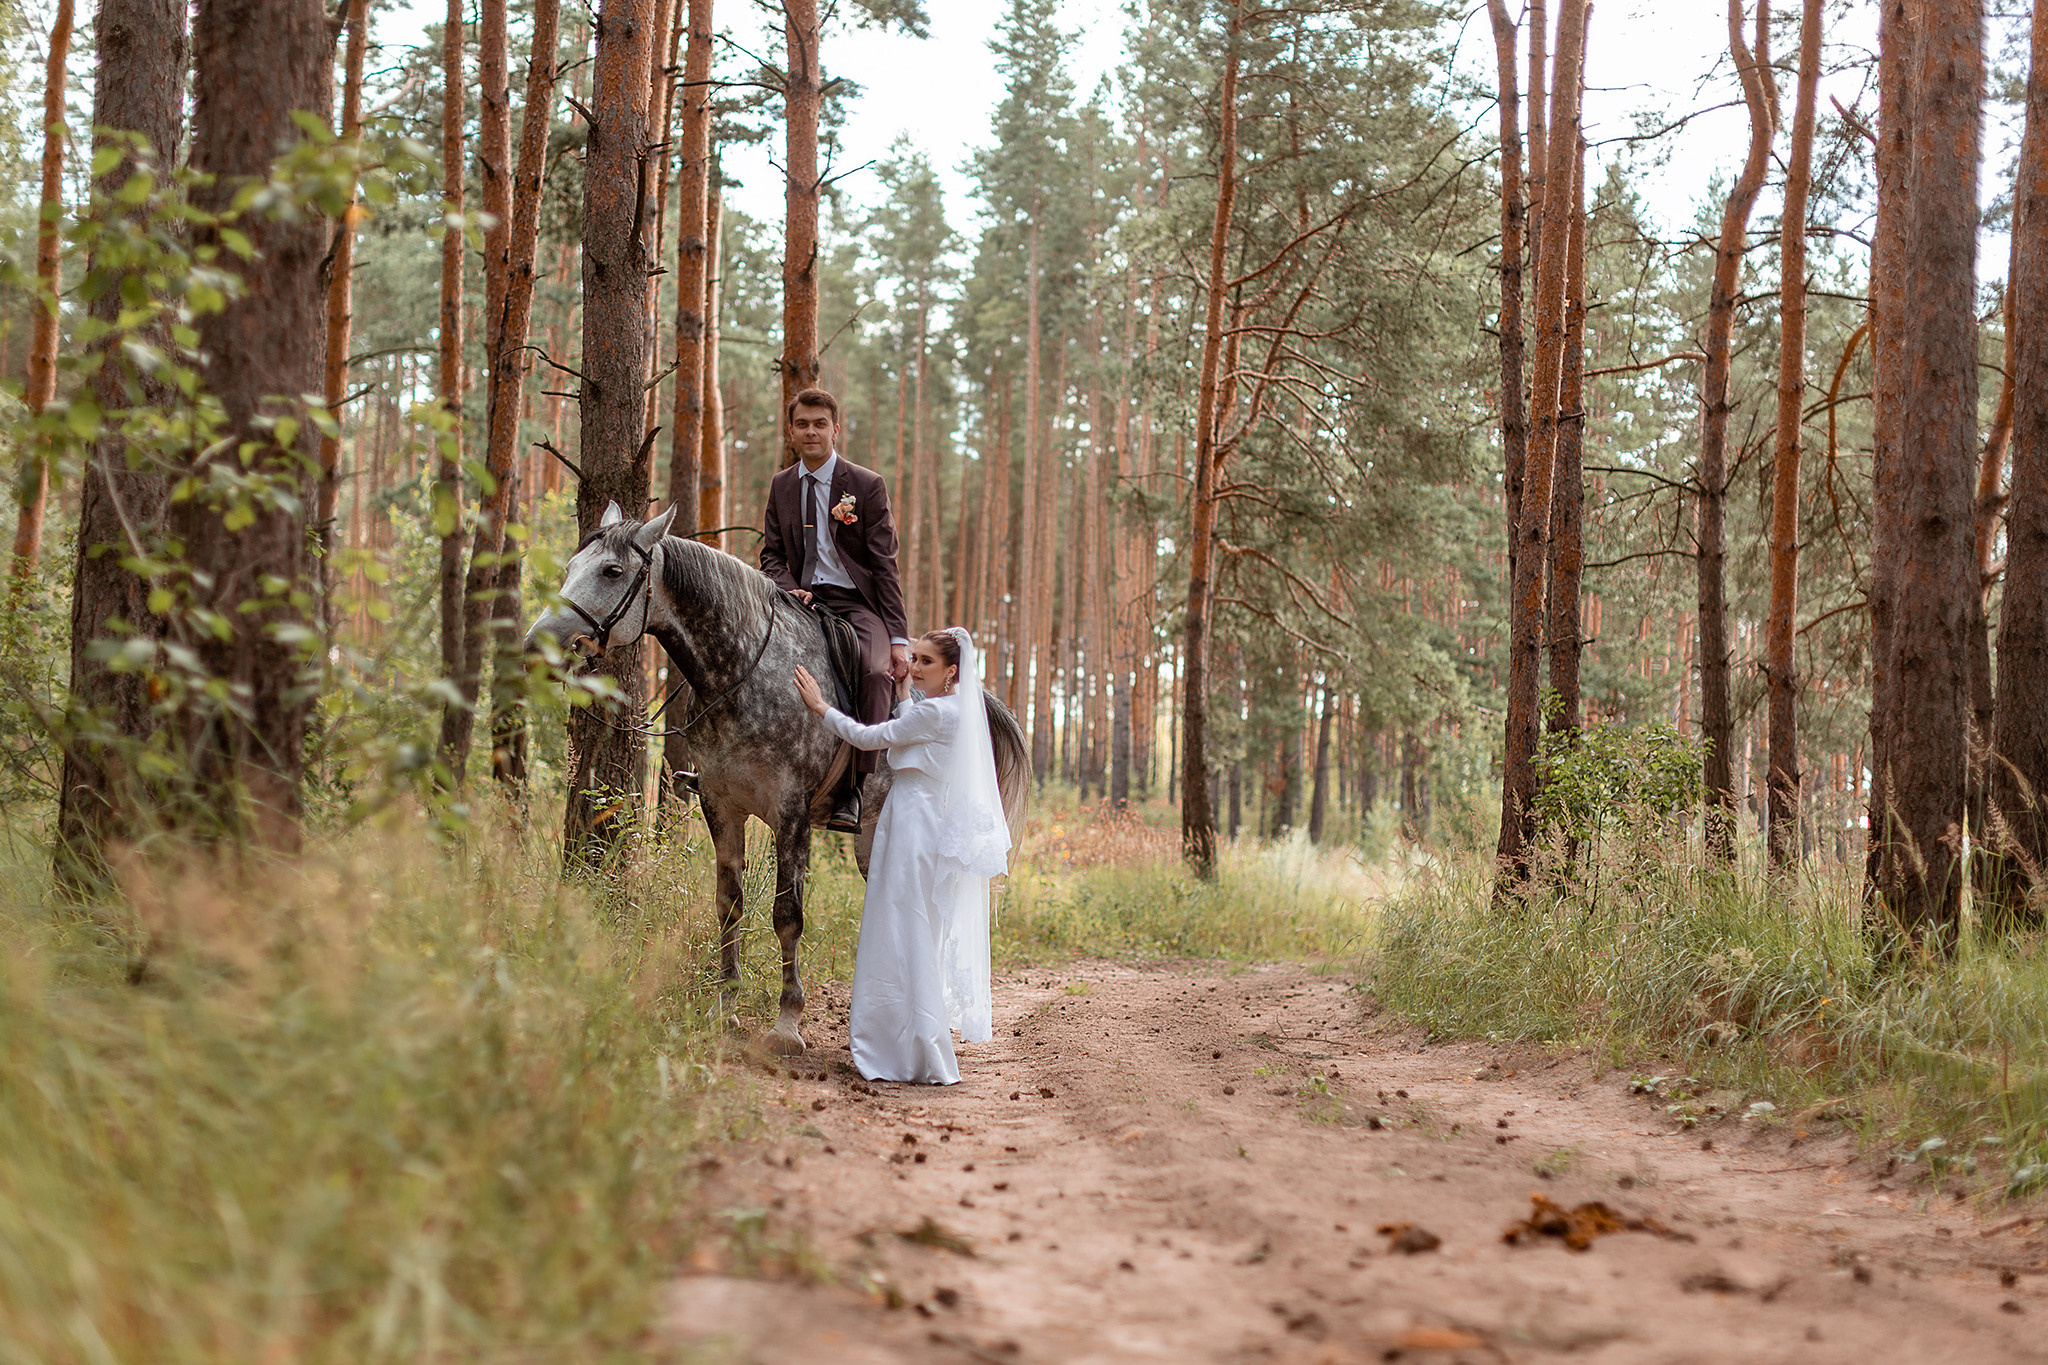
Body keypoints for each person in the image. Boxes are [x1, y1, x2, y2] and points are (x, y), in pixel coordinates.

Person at [793, 629, 1011, 1085]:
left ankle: (909, 1048)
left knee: (900, 922)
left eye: (926, 661)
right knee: (914, 926)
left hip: (913, 823)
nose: (913, 666)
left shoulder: (936, 713)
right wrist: (905, 692)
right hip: (922, 817)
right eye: (914, 657)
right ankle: (911, 1040)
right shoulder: (951, 710)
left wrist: (820, 707)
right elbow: (914, 725)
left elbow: (872, 737)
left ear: (952, 670)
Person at [760, 387, 909, 832]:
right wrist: (789, 588)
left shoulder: (865, 485)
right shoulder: (781, 485)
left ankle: (855, 788)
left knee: (873, 670)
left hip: (856, 604)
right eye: (802, 423)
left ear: (835, 429)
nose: (811, 431)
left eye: (820, 423)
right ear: (791, 431)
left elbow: (885, 566)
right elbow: (771, 555)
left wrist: (898, 638)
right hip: (800, 603)